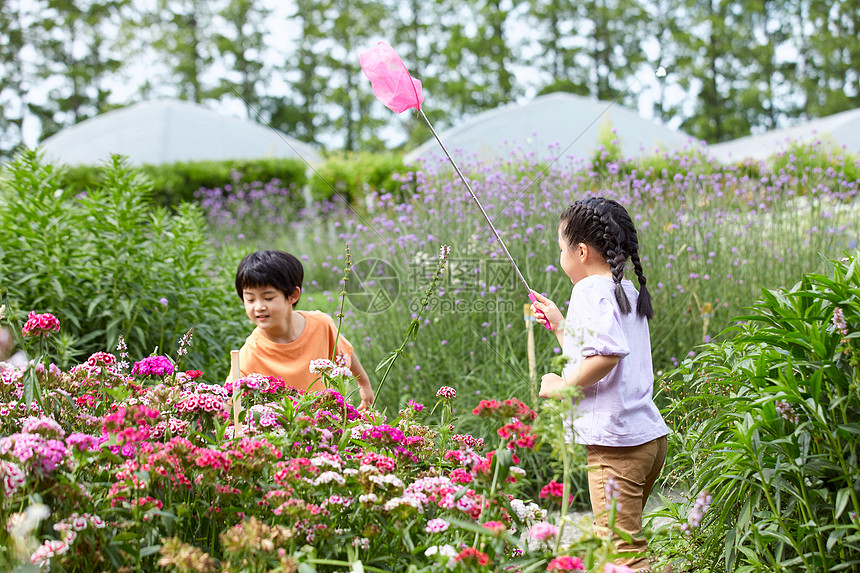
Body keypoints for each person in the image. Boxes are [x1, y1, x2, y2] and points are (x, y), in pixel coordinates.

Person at [530, 197, 669, 571]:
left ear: (580, 250)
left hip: (617, 447)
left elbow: (605, 356)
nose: (560, 257)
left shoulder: (589, 290)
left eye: (561, 249)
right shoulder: (626, 291)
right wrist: (561, 326)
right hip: (649, 440)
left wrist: (563, 387)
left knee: (625, 556)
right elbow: (599, 352)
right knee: (619, 541)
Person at [226, 250, 374, 410]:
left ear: (293, 295)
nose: (259, 307)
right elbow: (230, 402)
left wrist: (364, 385)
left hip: (325, 423)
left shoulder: (320, 324)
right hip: (282, 432)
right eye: (250, 299)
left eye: (268, 298)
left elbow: (345, 353)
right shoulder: (249, 354)